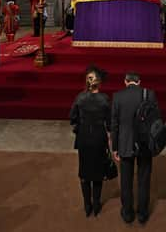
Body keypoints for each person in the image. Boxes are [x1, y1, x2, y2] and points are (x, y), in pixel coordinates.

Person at [111, 71, 158, 224]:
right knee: (144, 179)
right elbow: (156, 120)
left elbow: (115, 125)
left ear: (125, 81)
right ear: (139, 82)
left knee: (126, 180)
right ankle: (143, 214)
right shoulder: (150, 94)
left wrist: (115, 147)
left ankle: (127, 213)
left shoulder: (117, 96)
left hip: (125, 143)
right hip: (145, 144)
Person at [70, 66, 111, 217]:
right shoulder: (105, 99)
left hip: (84, 138)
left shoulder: (80, 97)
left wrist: (80, 124)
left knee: (84, 172)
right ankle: (96, 204)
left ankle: (87, 205)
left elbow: (72, 117)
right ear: (99, 82)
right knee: (98, 172)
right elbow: (110, 122)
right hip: (99, 138)